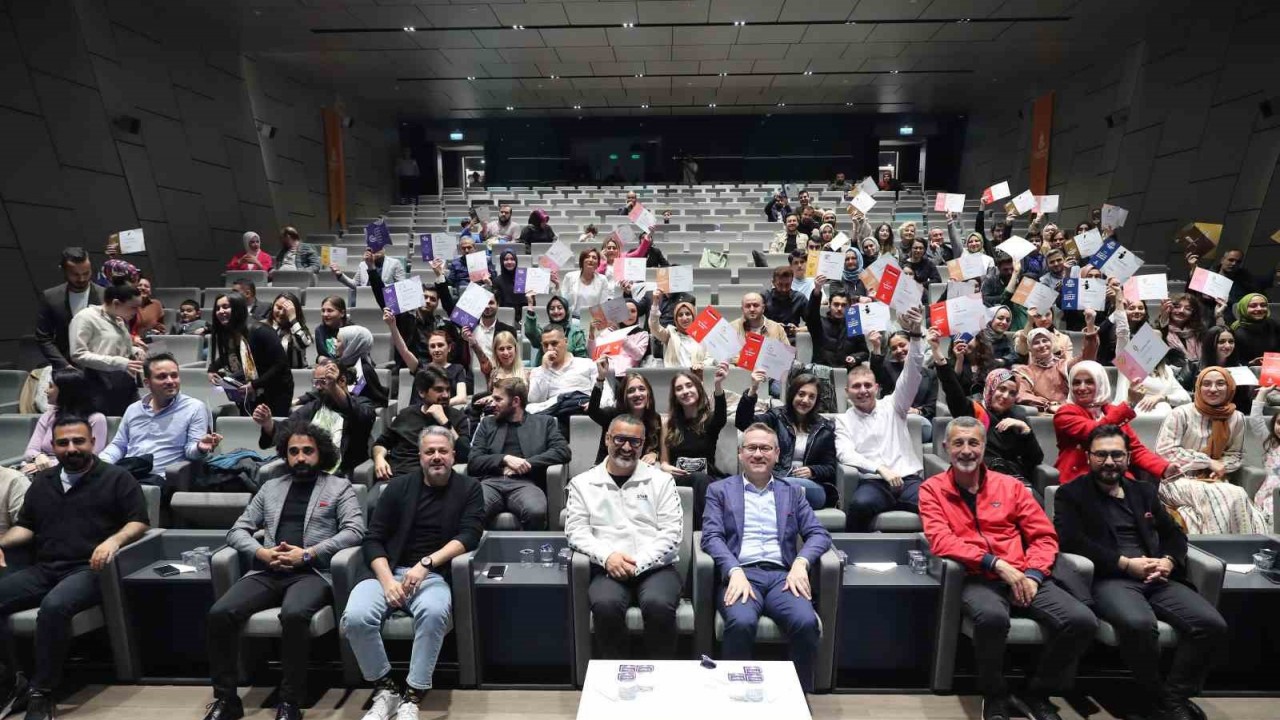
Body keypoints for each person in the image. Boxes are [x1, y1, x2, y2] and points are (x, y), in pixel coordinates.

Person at [920, 417, 1097, 720]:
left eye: (973, 443)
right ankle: (996, 693)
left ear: (984, 447)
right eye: (959, 443)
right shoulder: (931, 489)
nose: (966, 450)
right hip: (977, 576)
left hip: (1024, 573)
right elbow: (941, 541)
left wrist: (1034, 574)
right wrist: (995, 563)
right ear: (946, 447)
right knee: (990, 618)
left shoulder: (1011, 486)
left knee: (1081, 621)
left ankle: (1037, 692)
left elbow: (1043, 536)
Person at [1053, 424, 1228, 720]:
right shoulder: (1071, 494)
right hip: (1111, 578)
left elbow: (1174, 534)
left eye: (1117, 455)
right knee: (1138, 624)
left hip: (1157, 575)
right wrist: (1124, 563)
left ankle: (1172, 695)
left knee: (1211, 624)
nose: (1109, 462)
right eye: (1102, 455)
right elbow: (1071, 541)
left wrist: (1169, 561)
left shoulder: (1144, 491)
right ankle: (1154, 696)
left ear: (1128, 457)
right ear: (1089, 457)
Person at [203, 422, 365, 720]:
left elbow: (355, 531)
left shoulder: (338, 487)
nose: (300, 457)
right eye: (294, 452)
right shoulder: (271, 488)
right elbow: (238, 530)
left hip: (311, 572)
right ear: (285, 455)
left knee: (293, 614)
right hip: (268, 570)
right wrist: (262, 552)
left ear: (321, 453)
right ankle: (226, 700)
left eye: (307, 451)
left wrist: (308, 554)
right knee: (220, 613)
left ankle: (290, 701)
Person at [0, 415, 149, 720]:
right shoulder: (43, 482)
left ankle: (43, 691)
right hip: (45, 568)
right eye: (63, 442)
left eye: (78, 441)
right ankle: (14, 680)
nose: (71, 448)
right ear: (53, 446)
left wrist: (113, 541)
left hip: (89, 570)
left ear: (93, 442)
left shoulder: (116, 478)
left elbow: (139, 521)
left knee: (54, 607)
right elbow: (26, 527)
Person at [341, 427, 484, 720]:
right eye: (429, 452)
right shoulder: (398, 487)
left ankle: (412, 696)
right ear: (420, 457)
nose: (436, 457)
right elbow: (373, 538)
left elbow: (470, 534)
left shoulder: (469, 488)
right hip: (388, 572)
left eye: (442, 451)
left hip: (431, 577)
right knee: (355, 618)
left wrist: (426, 564)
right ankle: (387, 689)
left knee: (433, 614)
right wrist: (386, 580)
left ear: (453, 455)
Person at [700, 424, 832, 693]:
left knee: (806, 622)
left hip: (783, 577)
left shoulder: (792, 492)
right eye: (751, 448)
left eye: (765, 448)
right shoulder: (720, 491)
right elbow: (711, 537)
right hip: (741, 574)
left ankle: (797, 697)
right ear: (740, 453)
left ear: (777, 454)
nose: (758, 454)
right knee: (741, 622)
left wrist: (801, 563)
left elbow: (818, 534)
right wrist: (733, 570)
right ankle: (735, 697)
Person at [565, 414, 682, 659]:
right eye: (620, 439)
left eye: (635, 442)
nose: (627, 447)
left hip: (656, 568)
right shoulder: (583, 483)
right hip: (607, 566)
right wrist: (608, 557)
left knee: (658, 606)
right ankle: (616, 681)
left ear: (643, 444)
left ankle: (661, 679)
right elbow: (576, 531)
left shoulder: (661, 481)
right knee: (605, 606)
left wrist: (637, 563)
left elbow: (672, 533)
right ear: (607, 438)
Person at [835, 308, 926, 531]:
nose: (863, 390)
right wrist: (880, 468)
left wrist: (915, 336)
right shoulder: (842, 420)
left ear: (877, 388)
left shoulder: (895, 404)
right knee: (859, 505)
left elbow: (912, 373)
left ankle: (937, 558)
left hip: (909, 480)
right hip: (874, 482)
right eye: (856, 386)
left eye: (868, 385)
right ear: (847, 392)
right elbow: (845, 453)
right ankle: (853, 557)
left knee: (935, 504)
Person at [1154, 367, 1265, 534]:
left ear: (1229, 387)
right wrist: (1207, 462)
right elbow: (1165, 451)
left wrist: (1222, 467)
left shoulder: (1237, 418)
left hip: (1215, 480)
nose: (1213, 389)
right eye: (1207, 384)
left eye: (1220, 384)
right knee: (1234, 493)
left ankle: (1243, 550)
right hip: (1176, 480)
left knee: (1238, 500)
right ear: (1198, 388)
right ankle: (1226, 549)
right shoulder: (1180, 413)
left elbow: (1236, 454)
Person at [933, 335, 1044, 489]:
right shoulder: (974, 411)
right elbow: (952, 390)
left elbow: (1035, 460)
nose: (1006, 396)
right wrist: (938, 354)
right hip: (981, 481)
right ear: (991, 388)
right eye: (1002, 389)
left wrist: (1026, 431)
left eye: (1012, 393)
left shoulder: (1017, 417)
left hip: (1015, 482)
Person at [467, 378, 569, 530]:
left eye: (498, 399)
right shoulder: (487, 424)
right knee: (473, 510)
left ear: (515, 401)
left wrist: (526, 463)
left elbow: (563, 451)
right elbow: (474, 461)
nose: (491, 403)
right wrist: (505, 459)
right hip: (491, 482)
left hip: (526, 483)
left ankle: (530, 552)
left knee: (535, 511)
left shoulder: (544, 423)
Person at [1053, 361, 1175, 485]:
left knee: (1143, 493)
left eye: (1089, 382)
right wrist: (1129, 404)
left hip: (1115, 475)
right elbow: (1096, 432)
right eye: (1076, 383)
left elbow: (1134, 449)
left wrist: (1165, 468)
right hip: (1079, 478)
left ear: (1101, 383)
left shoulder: (1111, 411)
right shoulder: (1064, 413)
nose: (1082, 388)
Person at [101, 353, 219, 477]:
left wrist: (200, 447)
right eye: (162, 377)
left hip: (162, 478)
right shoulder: (133, 409)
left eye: (174, 376)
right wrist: (101, 463)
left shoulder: (194, 408)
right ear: (147, 383)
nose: (170, 381)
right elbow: (119, 445)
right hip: (129, 474)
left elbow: (191, 452)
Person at [252, 363, 377, 477]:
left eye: (324, 382)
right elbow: (288, 428)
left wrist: (333, 387)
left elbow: (362, 417)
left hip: (340, 475)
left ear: (342, 380)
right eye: (316, 382)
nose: (318, 387)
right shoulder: (316, 406)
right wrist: (268, 424)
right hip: (307, 471)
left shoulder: (363, 404)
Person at [734, 371, 835, 511]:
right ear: (792, 394)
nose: (805, 400)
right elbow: (743, 423)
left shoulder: (825, 427)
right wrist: (753, 389)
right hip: (776, 480)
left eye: (811, 397)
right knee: (779, 487)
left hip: (811, 486)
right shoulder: (777, 416)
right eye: (801, 394)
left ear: (816, 401)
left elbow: (830, 467)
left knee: (782, 486)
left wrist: (813, 470)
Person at [373, 367, 471, 481]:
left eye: (448, 390)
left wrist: (444, 421)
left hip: (429, 481)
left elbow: (465, 454)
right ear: (422, 392)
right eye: (439, 390)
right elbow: (381, 443)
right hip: (394, 477)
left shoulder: (457, 417)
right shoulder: (406, 414)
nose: (446, 395)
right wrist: (379, 458)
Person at [208, 292, 294, 417]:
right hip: (250, 391)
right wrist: (212, 369)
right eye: (217, 308)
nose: (220, 311)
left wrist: (255, 384)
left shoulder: (260, 330)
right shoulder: (231, 333)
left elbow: (280, 364)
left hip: (275, 391)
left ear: (237, 308)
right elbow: (229, 355)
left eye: (226, 307)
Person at [661, 366, 728, 523]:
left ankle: (706, 529)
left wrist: (718, 385)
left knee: (701, 479)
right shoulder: (668, 424)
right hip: (678, 478)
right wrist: (665, 467)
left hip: (705, 478)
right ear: (675, 396)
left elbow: (721, 416)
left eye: (689, 385)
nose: (685, 391)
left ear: (698, 388)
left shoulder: (710, 420)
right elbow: (664, 461)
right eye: (679, 388)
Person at [68, 282, 143, 416]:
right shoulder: (86, 317)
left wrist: (134, 350)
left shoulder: (119, 319)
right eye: (133, 307)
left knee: (135, 421)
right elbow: (77, 354)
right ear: (116, 303)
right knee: (106, 427)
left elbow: (114, 345)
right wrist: (118, 362)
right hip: (97, 383)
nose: (137, 312)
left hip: (124, 381)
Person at [21, 368, 108, 476]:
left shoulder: (96, 419)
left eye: (51, 386)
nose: (46, 390)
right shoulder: (48, 415)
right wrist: (38, 457)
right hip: (37, 467)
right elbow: (30, 450)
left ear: (65, 391)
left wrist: (46, 465)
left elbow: (92, 457)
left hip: (75, 472)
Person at [1013, 314, 1098, 414]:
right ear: (1030, 348)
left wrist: (1090, 326)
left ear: (1052, 343)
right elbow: (1022, 394)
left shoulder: (1062, 365)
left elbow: (1086, 359)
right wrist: (1048, 405)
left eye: (1045, 341)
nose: (1042, 345)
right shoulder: (1024, 371)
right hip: (1042, 414)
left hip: (1069, 411)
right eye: (1036, 343)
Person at [35, 247, 101, 370]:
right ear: (63, 271)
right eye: (75, 274)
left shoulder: (105, 296)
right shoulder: (50, 297)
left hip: (102, 370)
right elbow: (43, 337)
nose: (82, 279)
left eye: (86, 273)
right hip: (66, 371)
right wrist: (63, 364)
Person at [869, 330, 938, 443]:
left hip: (918, 424)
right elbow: (875, 374)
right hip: (893, 419)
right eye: (894, 348)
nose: (899, 350)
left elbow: (931, 406)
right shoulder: (888, 368)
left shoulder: (930, 375)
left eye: (902, 345)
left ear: (912, 344)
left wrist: (916, 411)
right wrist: (876, 346)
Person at [588, 361, 661, 463]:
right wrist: (601, 378)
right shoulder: (613, 415)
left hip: (637, 471)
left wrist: (654, 454)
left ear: (648, 394)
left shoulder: (654, 418)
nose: (637, 394)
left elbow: (658, 447)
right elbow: (592, 411)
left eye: (641, 389)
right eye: (631, 391)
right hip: (607, 470)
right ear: (624, 396)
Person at [387, 320, 471, 408]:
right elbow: (404, 350)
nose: (436, 349)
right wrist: (392, 325)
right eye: (432, 346)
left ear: (449, 347)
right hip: (418, 415)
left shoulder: (458, 369)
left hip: (444, 413)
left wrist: (437, 405)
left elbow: (462, 398)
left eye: (440, 345)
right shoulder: (421, 368)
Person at [527, 326, 596, 415]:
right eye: (545, 345)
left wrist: (595, 404)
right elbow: (535, 400)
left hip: (583, 411)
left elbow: (604, 391)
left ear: (566, 342)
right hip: (555, 415)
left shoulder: (586, 364)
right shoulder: (538, 372)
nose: (549, 349)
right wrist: (544, 369)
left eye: (554, 343)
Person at [804, 281, 867, 371]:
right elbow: (810, 314)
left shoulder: (854, 324)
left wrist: (855, 358)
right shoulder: (818, 323)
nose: (839, 309)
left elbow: (864, 352)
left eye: (844, 305)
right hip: (823, 373)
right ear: (829, 305)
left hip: (847, 373)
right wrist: (817, 292)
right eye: (836, 304)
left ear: (849, 307)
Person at [646, 290, 708, 369]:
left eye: (688, 314)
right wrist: (655, 304)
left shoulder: (701, 335)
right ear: (675, 319)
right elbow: (654, 326)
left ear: (693, 317)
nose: (684, 318)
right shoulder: (670, 334)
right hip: (674, 376)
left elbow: (709, 357)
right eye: (680, 315)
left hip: (696, 376)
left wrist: (702, 364)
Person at [523, 294, 588, 366]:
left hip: (569, 373)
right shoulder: (545, 332)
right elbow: (530, 332)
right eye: (552, 308)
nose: (556, 311)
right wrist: (530, 305)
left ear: (566, 310)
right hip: (545, 371)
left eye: (559, 308)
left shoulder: (576, 334)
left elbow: (582, 359)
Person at [1247, 387, 1280, 526]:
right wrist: (1262, 394)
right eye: (1279, 423)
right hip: (1269, 494)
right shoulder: (1271, 443)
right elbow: (1255, 420)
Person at [334, 325, 389, 408]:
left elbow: (378, 401)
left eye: (338, 341)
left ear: (352, 345)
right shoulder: (337, 365)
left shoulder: (364, 370)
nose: (334, 344)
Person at [554, 248, 617, 318]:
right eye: (587, 257)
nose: (591, 260)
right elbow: (563, 300)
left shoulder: (602, 279)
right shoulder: (570, 276)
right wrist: (557, 286)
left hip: (593, 320)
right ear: (582, 261)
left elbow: (603, 304)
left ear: (597, 264)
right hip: (572, 318)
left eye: (594, 258)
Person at [461, 296, 517, 369]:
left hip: (500, 375)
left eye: (491, 303)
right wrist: (464, 340)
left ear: (498, 305)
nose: (487, 306)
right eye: (483, 303)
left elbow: (513, 359)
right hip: (472, 377)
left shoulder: (508, 331)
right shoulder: (468, 329)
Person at [264, 293, 312, 370]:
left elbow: (303, 344)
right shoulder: (263, 327)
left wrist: (293, 319)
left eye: (286, 310)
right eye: (279, 308)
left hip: (296, 375)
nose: (282, 313)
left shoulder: (300, 328)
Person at [1230, 292, 1280, 365]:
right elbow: (1232, 360)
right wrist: (1250, 363)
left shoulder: (1274, 325)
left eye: (1263, 305)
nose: (1259, 309)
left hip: (1274, 368)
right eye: (1253, 306)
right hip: (1246, 371)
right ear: (1243, 308)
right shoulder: (1235, 331)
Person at [761, 267, 807, 343]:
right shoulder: (764, 296)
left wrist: (797, 330)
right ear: (773, 283)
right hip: (768, 338)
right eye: (780, 285)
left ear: (792, 282)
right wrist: (774, 327)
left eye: (787, 285)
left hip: (791, 340)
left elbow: (814, 325)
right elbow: (754, 322)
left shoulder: (799, 298)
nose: (784, 289)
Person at [332, 247, 405, 291]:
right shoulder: (363, 264)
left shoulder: (395, 263)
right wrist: (340, 275)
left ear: (383, 248)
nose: (376, 250)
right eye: (372, 248)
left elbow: (402, 286)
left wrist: (381, 288)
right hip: (366, 298)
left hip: (386, 300)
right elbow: (355, 285)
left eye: (379, 247)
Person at [313, 295, 348, 362]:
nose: (325, 314)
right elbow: (323, 354)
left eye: (330, 311)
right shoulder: (320, 330)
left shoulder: (352, 330)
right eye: (323, 311)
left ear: (342, 313)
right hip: (330, 365)